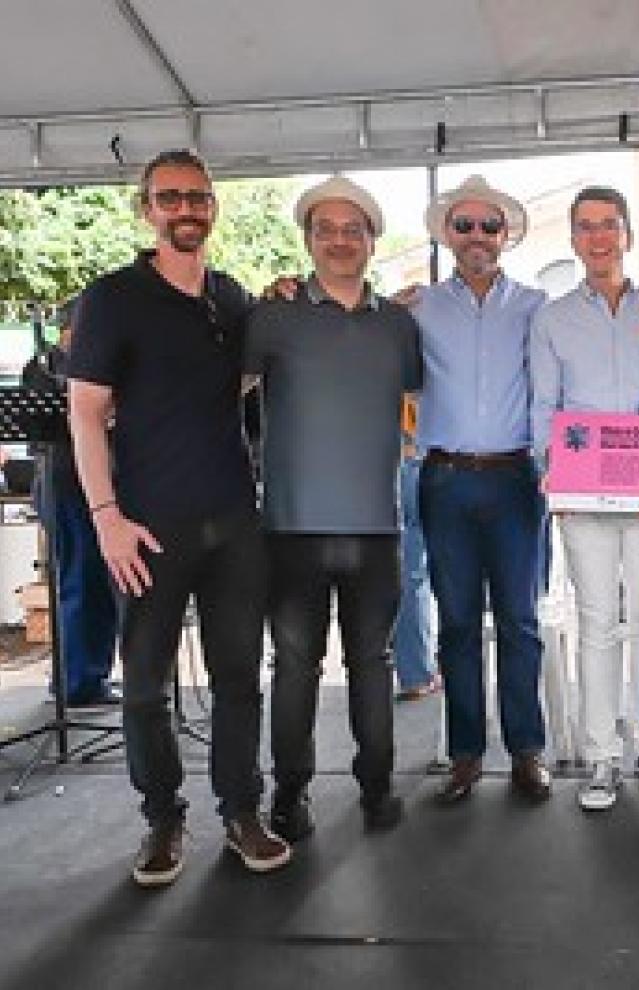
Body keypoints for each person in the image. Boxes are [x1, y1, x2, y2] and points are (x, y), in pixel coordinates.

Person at [66, 149, 290, 887]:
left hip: (234, 523)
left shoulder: (232, 300)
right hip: (146, 528)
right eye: (171, 198)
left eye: (198, 197)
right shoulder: (112, 299)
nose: (186, 209)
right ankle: (162, 818)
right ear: (147, 210)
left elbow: (258, 372)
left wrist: (287, 296)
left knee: (237, 679)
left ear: (213, 208)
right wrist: (106, 517)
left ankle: (241, 811)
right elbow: (86, 412)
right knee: (142, 687)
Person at [245, 177, 420, 841]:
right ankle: (289, 794)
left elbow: (421, 404)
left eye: (354, 229)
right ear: (309, 241)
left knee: (371, 665)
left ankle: (377, 789)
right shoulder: (273, 316)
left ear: (373, 241)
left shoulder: (400, 324)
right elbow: (220, 396)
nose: (340, 240)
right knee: (294, 669)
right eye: (327, 229)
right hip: (290, 527)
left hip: (378, 528)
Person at [530, 186, 639, 811]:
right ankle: (601, 758)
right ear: (573, 239)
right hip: (585, 497)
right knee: (597, 623)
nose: (598, 237)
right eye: (586, 227)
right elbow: (545, 408)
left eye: (609, 225)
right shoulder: (553, 319)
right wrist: (556, 480)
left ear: (627, 234)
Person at [413, 175, 552, 804]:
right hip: (443, 480)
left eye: (488, 227)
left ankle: (527, 751)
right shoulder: (413, 306)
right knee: (458, 622)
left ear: (506, 237)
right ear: (447, 234)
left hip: (517, 479)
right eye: (464, 226)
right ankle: (466, 754)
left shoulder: (538, 305)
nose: (476, 237)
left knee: (521, 622)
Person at [22, 297, 120, 708]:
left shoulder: (100, 365)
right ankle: (76, 679)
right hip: (63, 480)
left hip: (95, 482)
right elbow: (44, 429)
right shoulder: (45, 368)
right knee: (77, 577)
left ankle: (91, 673)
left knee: (98, 579)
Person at [394, 394, 440, 700]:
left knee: (407, 566)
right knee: (417, 567)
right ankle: (419, 670)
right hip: (425, 452)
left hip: (390, 453)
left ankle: (415, 671)